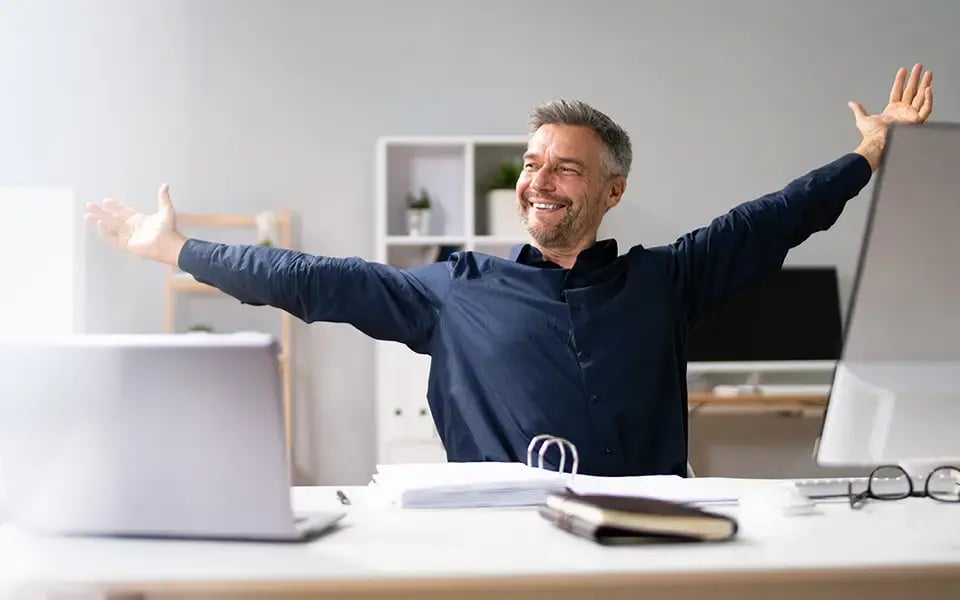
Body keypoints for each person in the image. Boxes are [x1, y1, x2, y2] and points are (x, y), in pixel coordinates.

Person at [86, 64, 934, 477]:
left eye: (564, 167)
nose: (539, 180)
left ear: (612, 190)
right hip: (503, 553)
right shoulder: (451, 291)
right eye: (531, 164)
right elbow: (312, 278)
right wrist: (174, 249)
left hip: (652, 553)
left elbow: (775, 218)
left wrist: (869, 152)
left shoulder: (666, 281)